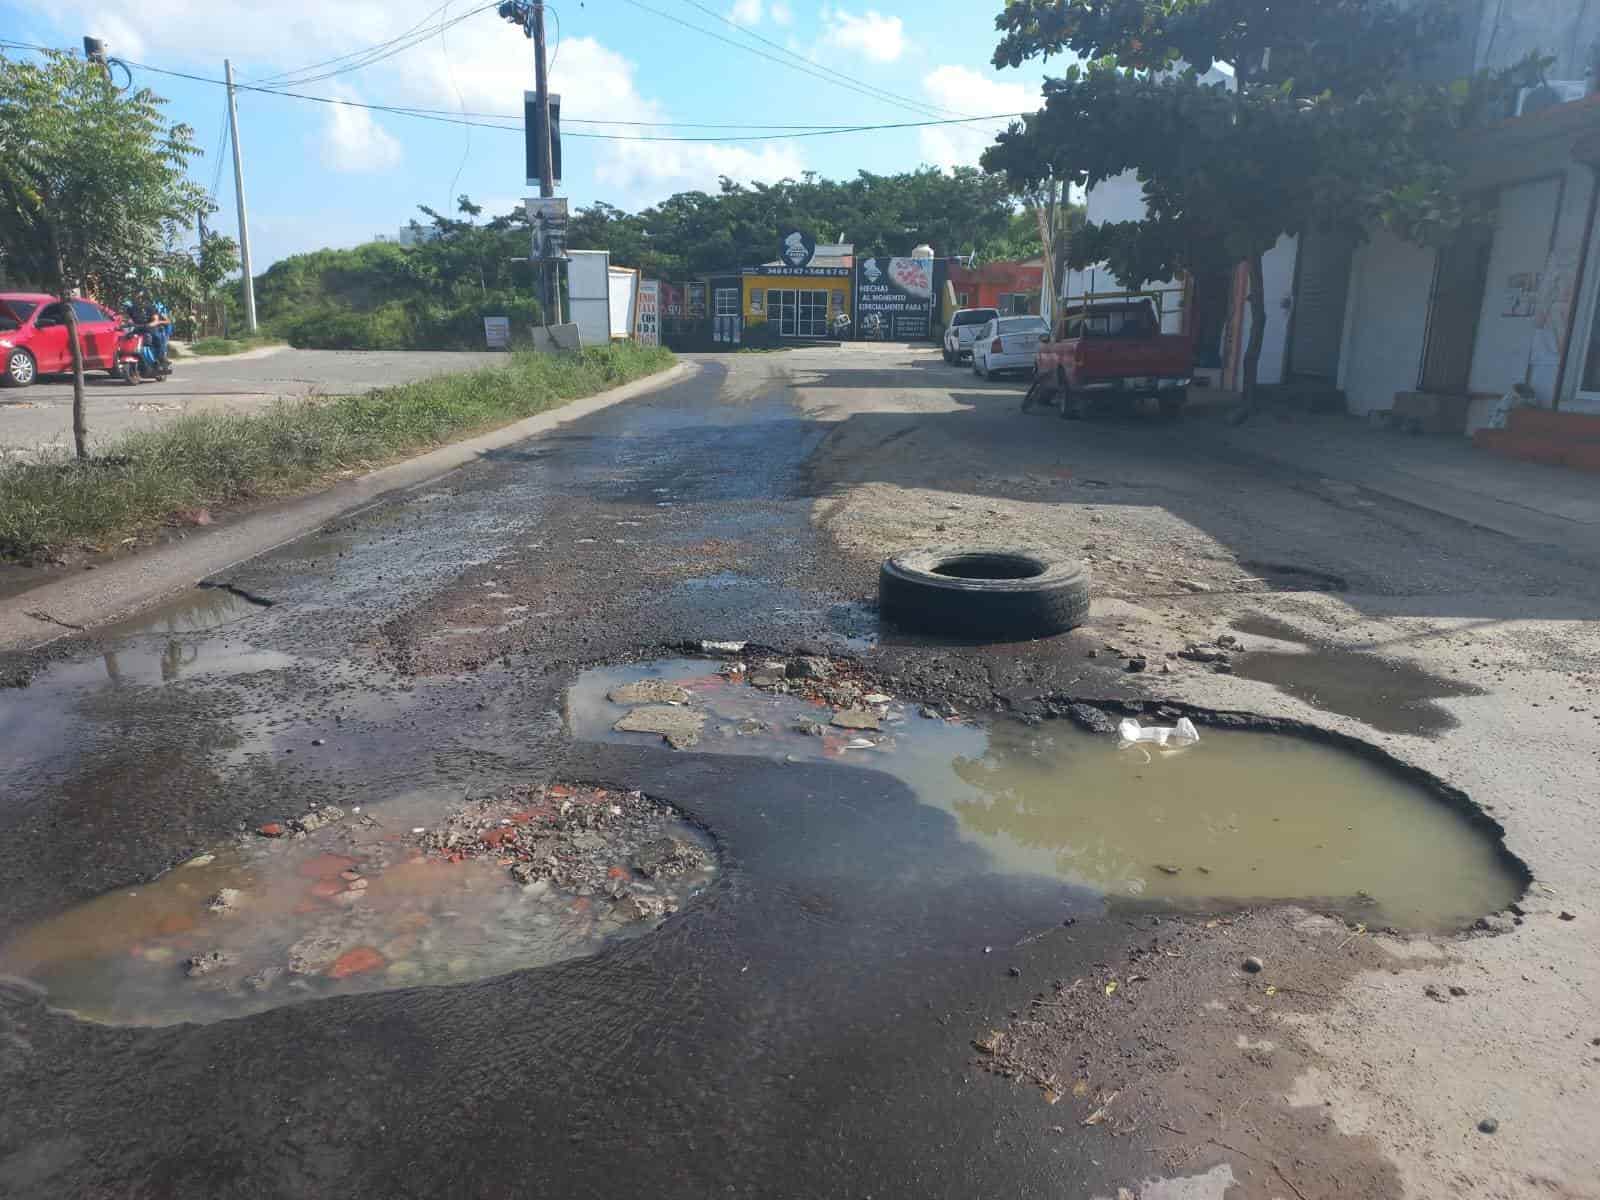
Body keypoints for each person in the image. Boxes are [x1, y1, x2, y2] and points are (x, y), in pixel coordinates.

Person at [125, 289, 171, 367]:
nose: (137, 299)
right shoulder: (131, 308)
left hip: (149, 328)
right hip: (138, 328)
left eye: (139, 297)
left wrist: (151, 324)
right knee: (127, 337)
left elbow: (156, 319)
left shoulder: (150, 307)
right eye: (136, 297)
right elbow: (127, 318)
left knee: (157, 338)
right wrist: (126, 323)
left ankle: (161, 358)